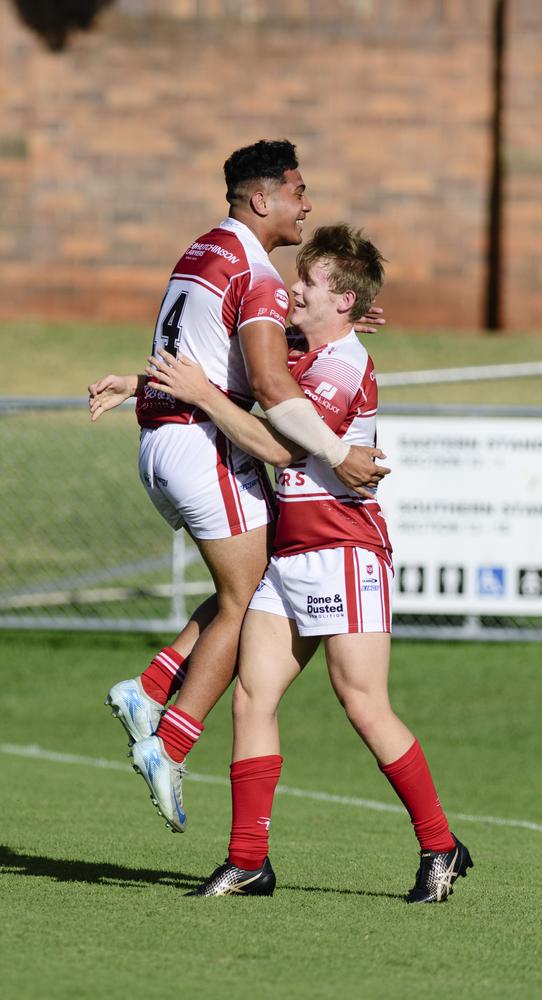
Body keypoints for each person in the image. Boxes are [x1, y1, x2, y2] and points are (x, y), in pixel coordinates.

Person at [143, 224, 473, 904]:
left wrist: (202, 397)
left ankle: (441, 846)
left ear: (344, 301)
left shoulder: (340, 367)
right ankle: (248, 861)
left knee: (363, 705)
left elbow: (280, 445)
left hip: (345, 551)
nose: (292, 288)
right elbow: (249, 369)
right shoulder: (306, 349)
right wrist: (141, 381)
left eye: (310, 283)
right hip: (290, 557)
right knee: (252, 698)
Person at [88, 140, 388, 834]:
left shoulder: (201, 251)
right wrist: (339, 451)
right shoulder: (258, 272)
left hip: (161, 437)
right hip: (197, 443)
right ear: (264, 199)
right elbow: (271, 384)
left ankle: (154, 686)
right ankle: (167, 735)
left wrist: (317, 327)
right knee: (251, 595)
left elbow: (213, 349)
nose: (306, 203)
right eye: (297, 190)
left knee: (244, 587)